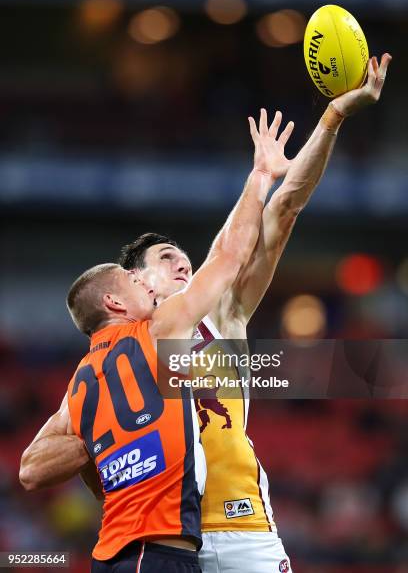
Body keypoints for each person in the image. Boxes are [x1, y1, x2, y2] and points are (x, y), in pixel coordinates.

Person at [19, 53, 391, 573]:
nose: (183, 264)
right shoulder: (113, 363)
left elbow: (283, 208)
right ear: (134, 284)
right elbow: (36, 463)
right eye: (165, 259)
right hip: (162, 534)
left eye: (186, 258)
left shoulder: (219, 315)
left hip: (244, 531)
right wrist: (113, 442)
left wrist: (332, 119)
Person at [20, 120, 279, 573]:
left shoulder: (84, 380)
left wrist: (102, 442)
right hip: (160, 549)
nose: (142, 282)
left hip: (112, 550)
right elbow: (230, 256)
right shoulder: (157, 330)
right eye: (133, 278)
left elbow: (30, 470)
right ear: (115, 301)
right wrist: (259, 177)